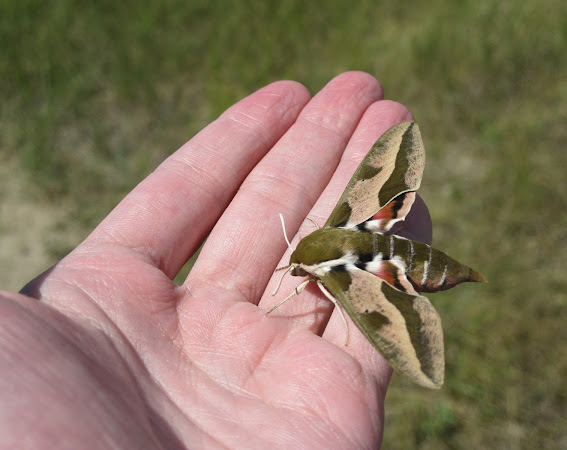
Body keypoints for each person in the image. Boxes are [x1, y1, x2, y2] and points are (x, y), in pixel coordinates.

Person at [0, 72, 431, 448]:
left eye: (297, 268)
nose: (292, 271)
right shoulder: (330, 245)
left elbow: (294, 282)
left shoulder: (329, 280)